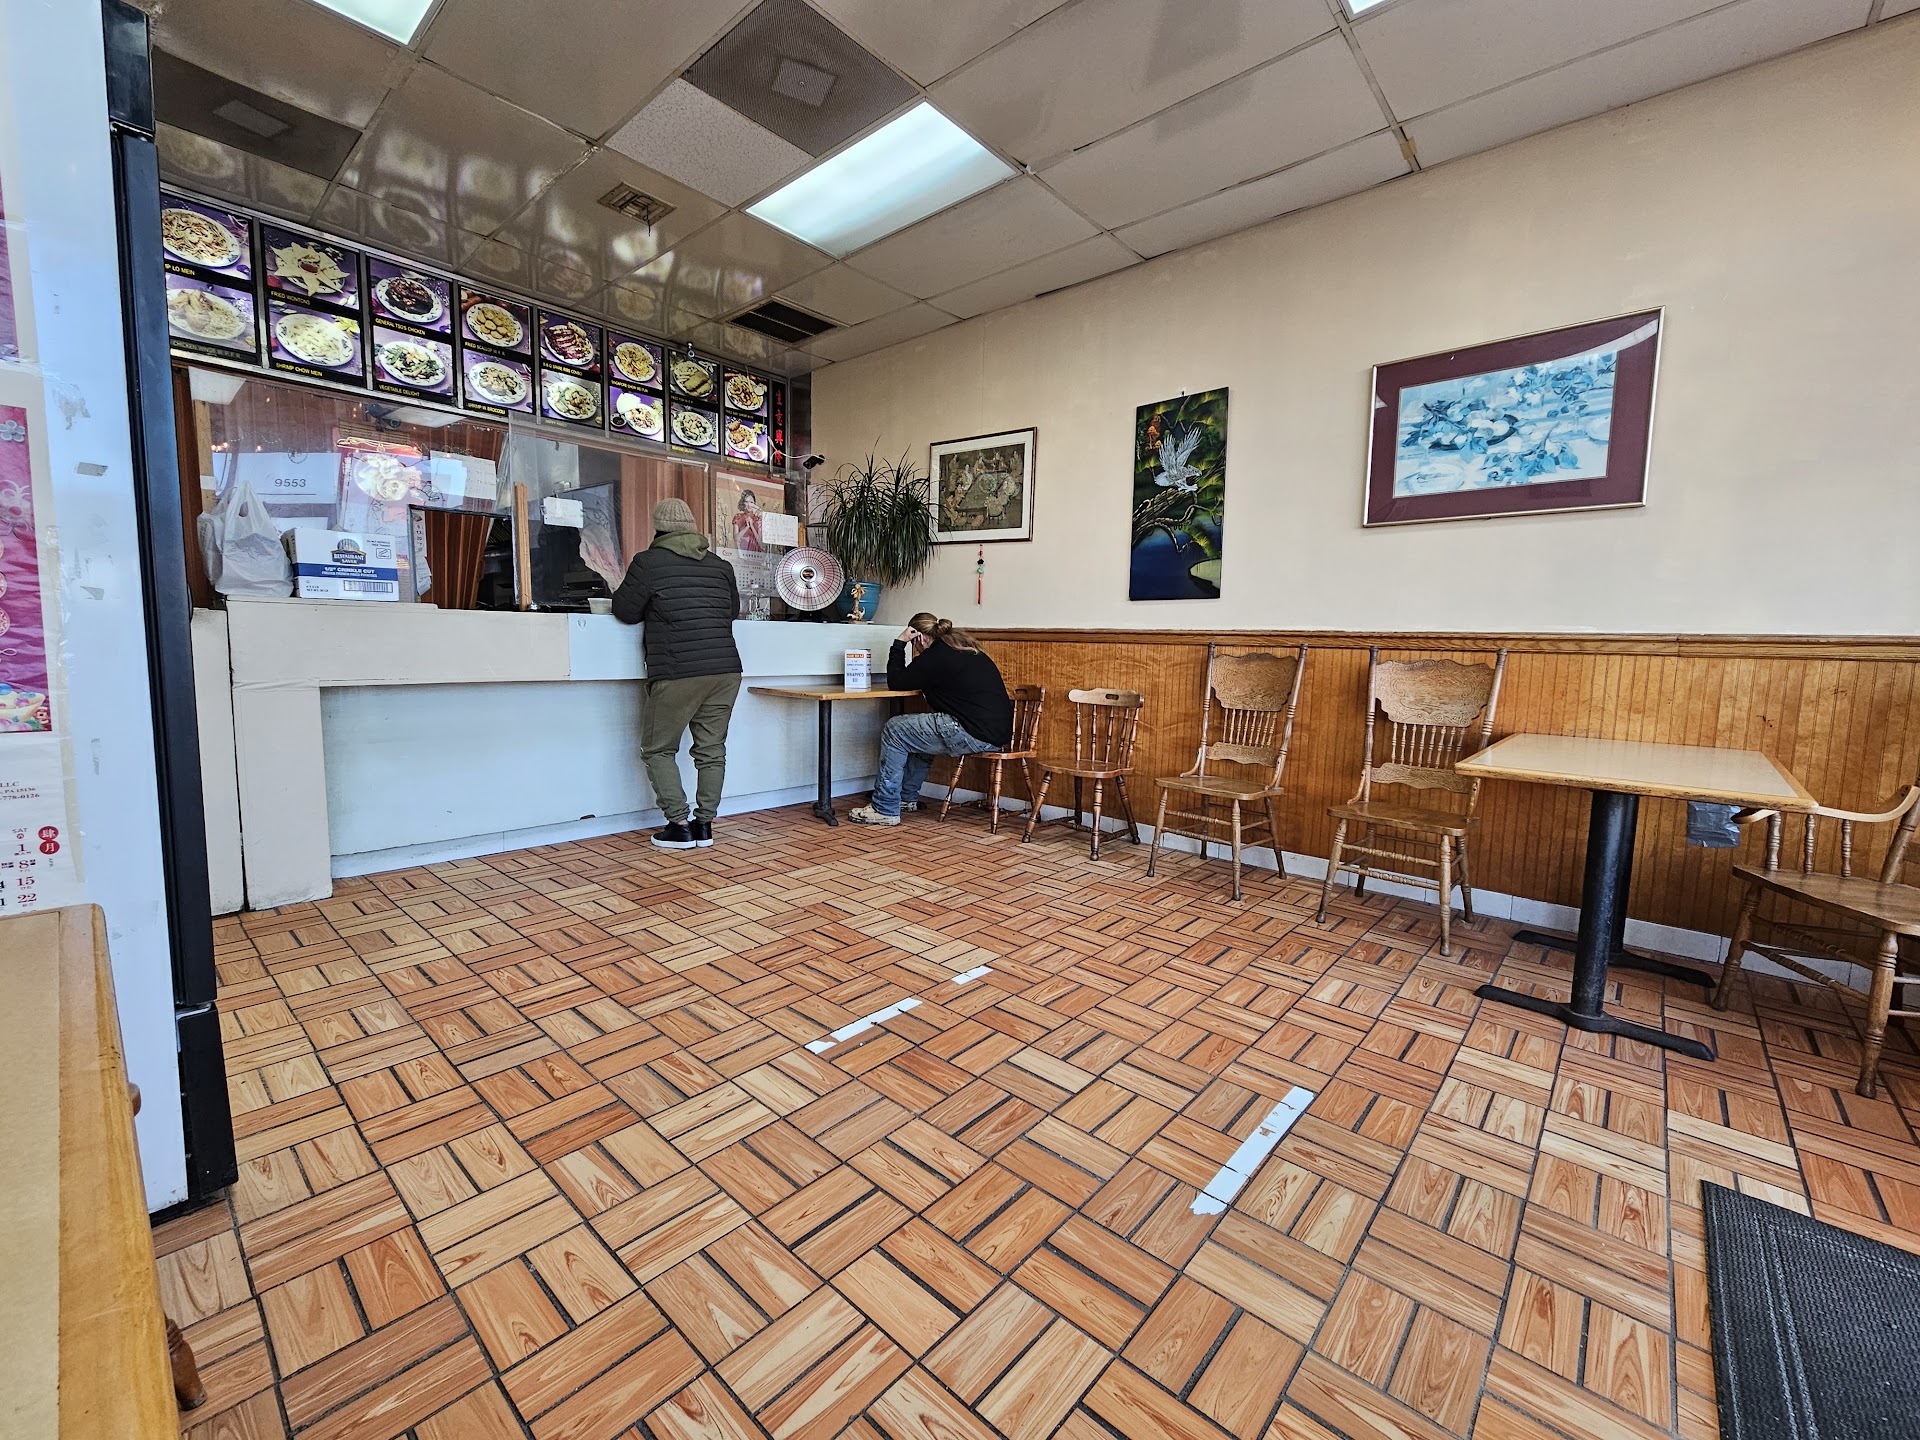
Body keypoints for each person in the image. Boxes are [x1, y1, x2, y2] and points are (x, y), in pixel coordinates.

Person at [612, 498, 742, 850]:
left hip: (677, 669)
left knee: (657, 749)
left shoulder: (647, 562)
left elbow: (625, 611)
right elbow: (731, 611)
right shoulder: (720, 566)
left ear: (658, 529)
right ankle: (704, 825)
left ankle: (678, 825)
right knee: (711, 750)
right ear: (691, 528)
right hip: (726, 669)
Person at [849, 613, 1013, 826]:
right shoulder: (964, 648)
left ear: (919, 637)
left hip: (972, 732)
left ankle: (884, 808)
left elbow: (896, 682)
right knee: (916, 735)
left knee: (895, 729)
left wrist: (899, 643)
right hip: (995, 734)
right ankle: (905, 798)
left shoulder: (935, 656)